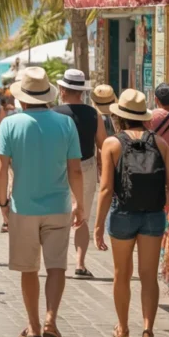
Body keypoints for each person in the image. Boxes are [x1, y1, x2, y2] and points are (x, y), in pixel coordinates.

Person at [0, 67, 84, 337]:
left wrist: (2, 203)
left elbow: (1, 169)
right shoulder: (65, 123)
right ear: (47, 96)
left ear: (22, 99)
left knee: (29, 269)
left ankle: (33, 327)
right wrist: (80, 204)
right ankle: (50, 320)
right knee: (56, 265)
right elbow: (75, 170)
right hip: (58, 205)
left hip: (23, 207)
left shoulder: (10, 124)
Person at [95, 89, 169, 337]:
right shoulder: (160, 143)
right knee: (148, 276)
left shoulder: (111, 143)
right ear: (144, 117)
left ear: (119, 116)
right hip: (153, 215)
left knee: (122, 274)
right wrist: (158, 202)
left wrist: (97, 225)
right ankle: (148, 330)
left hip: (122, 214)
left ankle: (122, 328)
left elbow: (106, 189)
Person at [53, 69, 106, 279]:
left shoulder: (55, 113)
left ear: (64, 90)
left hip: (59, 166)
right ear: (81, 92)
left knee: (58, 215)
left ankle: (56, 261)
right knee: (82, 215)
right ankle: (80, 263)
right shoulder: (94, 114)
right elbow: (102, 143)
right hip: (86, 166)